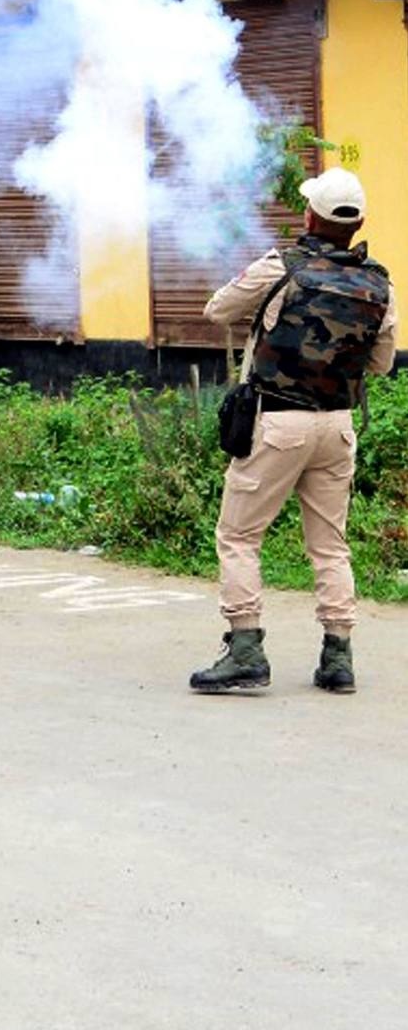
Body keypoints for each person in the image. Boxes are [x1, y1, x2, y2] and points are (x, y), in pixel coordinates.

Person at [191, 167, 396, 695]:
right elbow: (381, 364)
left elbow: (217, 310)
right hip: (338, 427)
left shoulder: (281, 267)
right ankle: (337, 658)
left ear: (310, 216)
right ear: (358, 224)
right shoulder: (379, 282)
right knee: (330, 546)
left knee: (238, 536)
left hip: (279, 423)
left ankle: (245, 651)